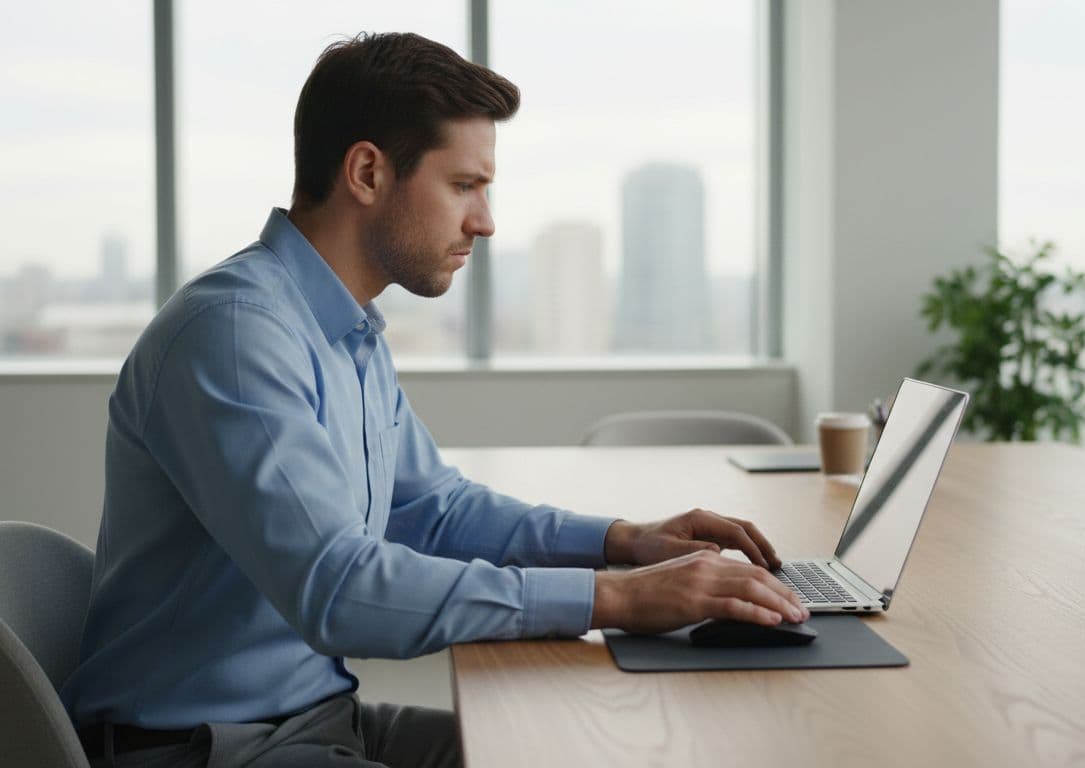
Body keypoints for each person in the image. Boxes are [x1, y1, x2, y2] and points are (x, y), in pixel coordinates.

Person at [60, 31, 806, 768]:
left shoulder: (346, 331)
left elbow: (432, 511)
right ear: (366, 172)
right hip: (204, 749)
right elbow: (338, 588)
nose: (484, 220)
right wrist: (617, 601)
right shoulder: (233, 337)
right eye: (464, 185)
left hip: (315, 720)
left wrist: (623, 542)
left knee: (581, 750)